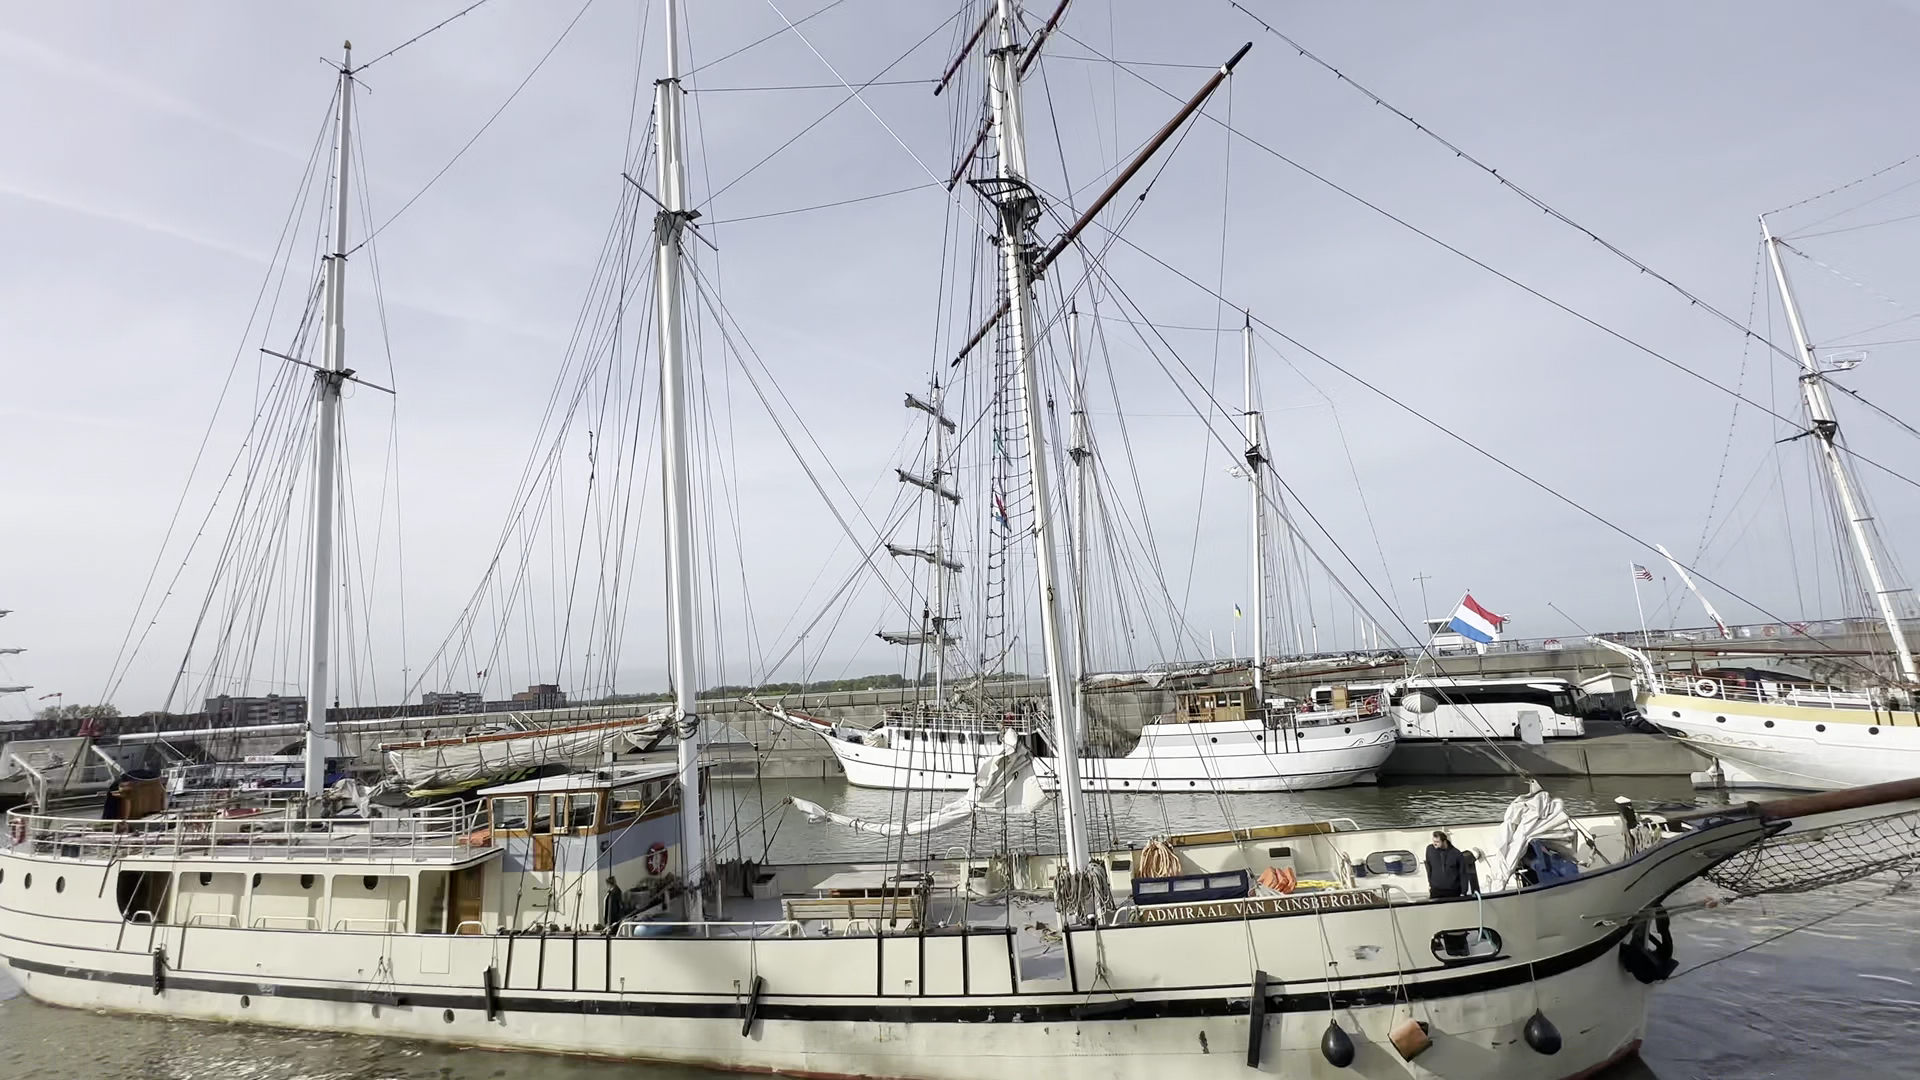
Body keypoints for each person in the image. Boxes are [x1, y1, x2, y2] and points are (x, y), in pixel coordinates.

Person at [1425, 830, 1466, 898]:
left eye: (1437, 842)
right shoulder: (1430, 850)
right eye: (1433, 841)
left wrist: (1463, 892)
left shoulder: (1456, 853)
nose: (1435, 844)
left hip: (1452, 890)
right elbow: (1429, 867)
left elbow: (1462, 873)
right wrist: (1430, 883)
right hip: (1436, 890)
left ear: (1444, 841)